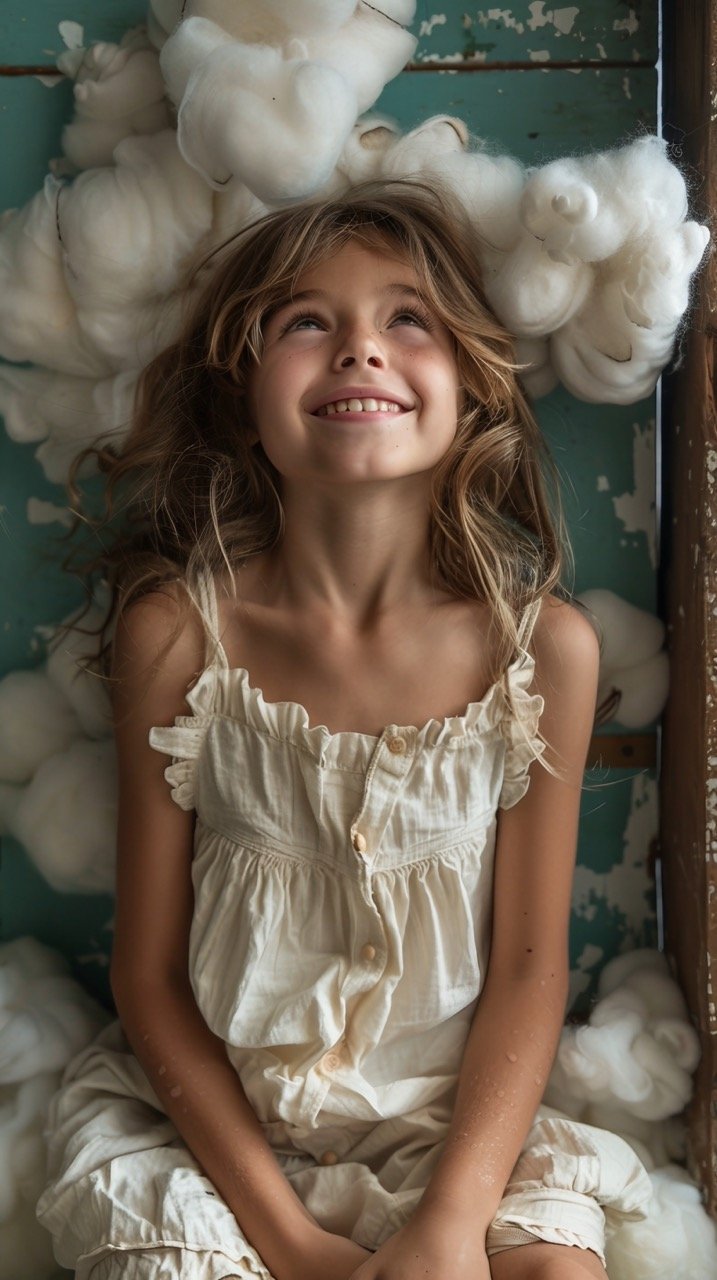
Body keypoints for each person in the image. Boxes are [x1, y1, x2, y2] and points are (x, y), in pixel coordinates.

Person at [36, 182, 652, 1280]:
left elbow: (525, 968)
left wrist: (452, 1223)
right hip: (214, 1140)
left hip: (450, 1135)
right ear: (244, 395)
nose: (362, 349)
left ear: (467, 383)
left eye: (407, 317)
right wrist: (297, 1246)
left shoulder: (541, 651)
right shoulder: (181, 636)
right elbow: (150, 979)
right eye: (308, 321)